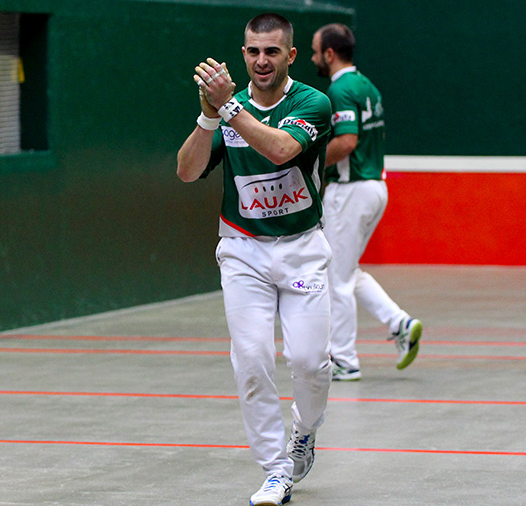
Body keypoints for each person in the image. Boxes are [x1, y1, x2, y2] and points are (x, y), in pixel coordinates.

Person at [177, 13, 333, 506]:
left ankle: (304, 432)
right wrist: (207, 117)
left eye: (271, 52)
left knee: (309, 363)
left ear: (289, 55)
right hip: (243, 252)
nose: (260, 60)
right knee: (251, 360)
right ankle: (275, 470)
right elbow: (186, 172)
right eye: (252, 51)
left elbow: (282, 151)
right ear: (242, 54)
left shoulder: (313, 103)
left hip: (302, 251)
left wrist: (227, 108)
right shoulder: (228, 109)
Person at [310, 23, 422, 382]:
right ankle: (399, 323)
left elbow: (346, 142)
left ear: (329, 54)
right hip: (375, 187)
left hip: (351, 191)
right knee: (347, 270)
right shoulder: (367, 86)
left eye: (314, 51)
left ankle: (344, 359)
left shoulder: (340, 90)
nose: (312, 58)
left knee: (335, 278)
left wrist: (306, 160)